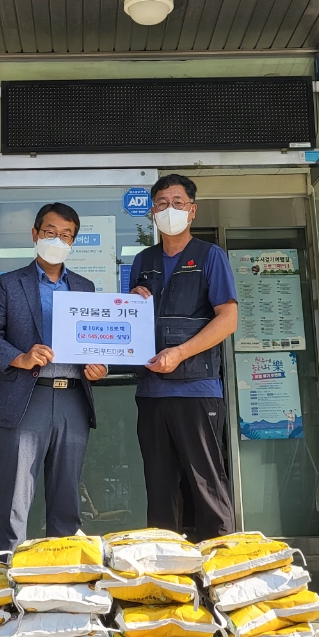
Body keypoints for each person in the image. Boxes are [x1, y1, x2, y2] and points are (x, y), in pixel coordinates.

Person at [0, 202, 108, 561]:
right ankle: (6, 571)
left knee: (67, 496)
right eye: (50, 232)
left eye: (66, 235)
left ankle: (63, 570)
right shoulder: (9, 283)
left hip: (72, 399)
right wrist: (19, 357)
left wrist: (100, 365)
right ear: (35, 234)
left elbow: (96, 339)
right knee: (16, 497)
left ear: (73, 242)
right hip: (26, 397)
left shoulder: (84, 287)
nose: (57, 240)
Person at [129, 173, 239, 542]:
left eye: (178, 203)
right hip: (151, 393)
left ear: (192, 211)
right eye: (162, 203)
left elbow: (228, 319)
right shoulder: (143, 260)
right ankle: (164, 566)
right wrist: (132, 301)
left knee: (206, 485)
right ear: (152, 212)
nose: (169, 210)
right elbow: (129, 324)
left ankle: (222, 563)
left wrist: (180, 352)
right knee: (159, 489)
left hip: (197, 389)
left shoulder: (211, 256)